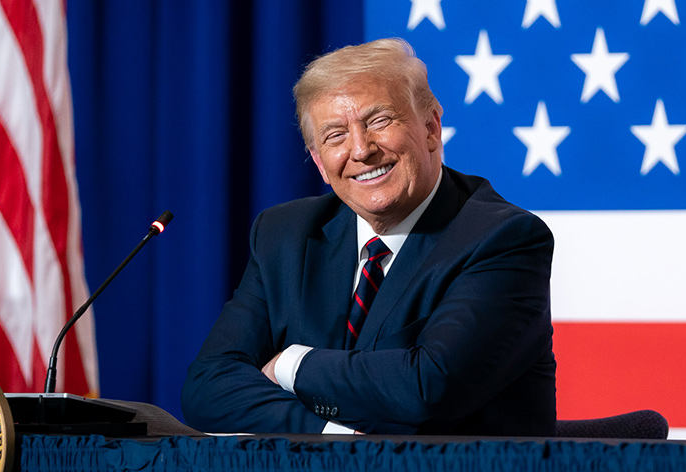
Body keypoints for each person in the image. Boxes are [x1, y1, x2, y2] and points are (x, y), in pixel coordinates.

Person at [181, 38, 556, 436]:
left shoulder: (503, 237)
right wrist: (329, 434)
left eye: (379, 121)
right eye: (335, 136)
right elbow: (208, 387)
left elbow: (428, 386)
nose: (361, 150)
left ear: (431, 128)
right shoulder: (285, 234)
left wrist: (291, 365)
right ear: (320, 162)